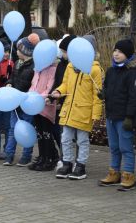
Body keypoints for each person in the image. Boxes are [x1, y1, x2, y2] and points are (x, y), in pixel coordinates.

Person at [51, 35, 103, 180]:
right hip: (69, 110)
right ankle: (67, 163)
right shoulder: (70, 66)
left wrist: (96, 115)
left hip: (84, 111)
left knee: (82, 140)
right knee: (65, 138)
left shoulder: (95, 70)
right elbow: (65, 84)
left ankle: (80, 165)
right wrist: (59, 91)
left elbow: (97, 94)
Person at [98, 39, 136, 190]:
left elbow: (134, 97)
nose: (116, 54)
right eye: (115, 51)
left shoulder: (133, 73)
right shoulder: (110, 71)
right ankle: (114, 173)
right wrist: (103, 94)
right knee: (114, 146)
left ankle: (128, 175)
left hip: (124, 117)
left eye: (120, 52)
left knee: (125, 147)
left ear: (127, 54)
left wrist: (129, 116)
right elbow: (108, 88)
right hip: (111, 115)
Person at [3, 33, 40, 166]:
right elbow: (12, 77)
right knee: (12, 129)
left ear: (25, 51)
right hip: (15, 102)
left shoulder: (34, 66)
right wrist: (9, 83)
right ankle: (9, 155)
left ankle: (26, 155)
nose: (17, 52)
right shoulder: (17, 63)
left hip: (27, 103)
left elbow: (34, 84)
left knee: (27, 129)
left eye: (19, 49)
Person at [27, 61, 58, 171]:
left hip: (46, 105)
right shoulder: (37, 69)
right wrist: (30, 96)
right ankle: (42, 156)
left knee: (46, 133)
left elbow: (50, 88)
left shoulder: (53, 69)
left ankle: (50, 158)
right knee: (39, 133)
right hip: (36, 106)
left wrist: (38, 98)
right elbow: (33, 85)